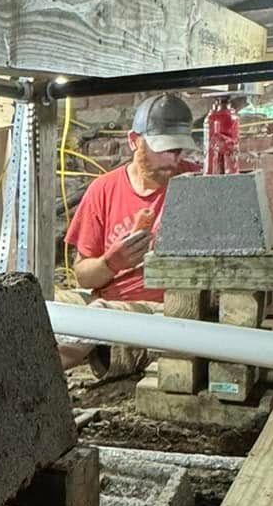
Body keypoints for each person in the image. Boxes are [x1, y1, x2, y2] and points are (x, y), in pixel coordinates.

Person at [55, 92, 200, 372]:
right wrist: (112, 262)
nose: (173, 159)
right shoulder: (103, 189)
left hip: (163, 309)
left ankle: (25, 381)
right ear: (134, 140)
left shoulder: (195, 183)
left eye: (179, 149)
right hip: (104, 296)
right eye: (164, 149)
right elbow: (83, 275)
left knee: (98, 316)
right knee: (40, 303)